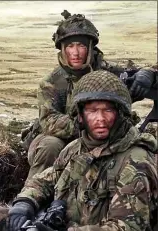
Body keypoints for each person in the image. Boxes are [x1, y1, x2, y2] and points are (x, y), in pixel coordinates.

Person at [0, 70, 158, 231]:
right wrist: (24, 204)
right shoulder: (76, 148)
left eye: (108, 110)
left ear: (121, 113)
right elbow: (46, 179)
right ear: (80, 115)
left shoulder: (135, 161)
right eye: (92, 110)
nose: (100, 119)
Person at [22, 10, 157, 179]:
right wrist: (89, 123)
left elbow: (134, 74)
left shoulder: (108, 72)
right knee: (51, 145)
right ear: (63, 49)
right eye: (70, 46)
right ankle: (33, 197)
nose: (76, 53)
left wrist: (148, 73)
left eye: (82, 46)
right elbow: (50, 122)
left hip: (103, 135)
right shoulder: (51, 83)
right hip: (62, 138)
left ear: (91, 48)